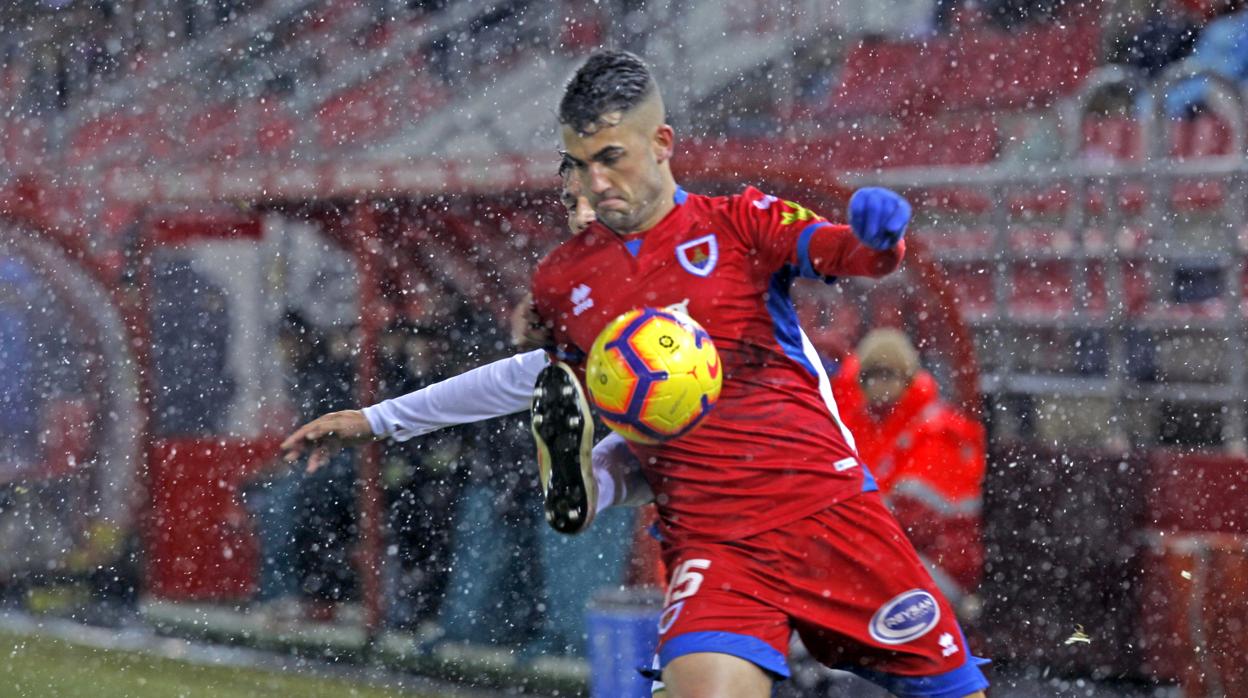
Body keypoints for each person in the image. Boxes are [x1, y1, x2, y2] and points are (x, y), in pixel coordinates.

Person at [525, 50, 988, 697]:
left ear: (662, 144)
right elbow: (585, 397)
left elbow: (843, 252)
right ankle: (593, 482)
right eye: (578, 164)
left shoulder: (739, 222)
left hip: (829, 515)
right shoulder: (560, 280)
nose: (595, 183)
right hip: (714, 542)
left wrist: (882, 241)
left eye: (610, 158)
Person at [833, 328, 987, 608]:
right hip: (893, 555)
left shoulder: (937, 432)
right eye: (871, 375)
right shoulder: (863, 425)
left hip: (937, 565)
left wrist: (844, 524)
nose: (879, 384)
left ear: (907, 378)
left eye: (888, 374)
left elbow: (914, 522)